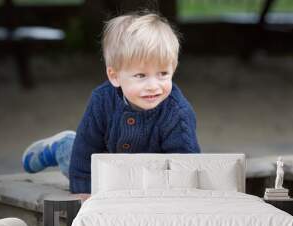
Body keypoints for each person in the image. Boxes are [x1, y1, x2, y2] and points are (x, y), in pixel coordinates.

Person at [21, 11, 201, 197]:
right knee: (80, 160)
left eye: (163, 74)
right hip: (101, 163)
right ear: (115, 76)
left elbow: (186, 167)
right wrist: (84, 191)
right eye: (141, 76)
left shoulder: (177, 114)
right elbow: (87, 148)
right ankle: (62, 147)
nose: (153, 86)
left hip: (146, 179)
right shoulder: (102, 100)